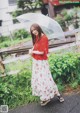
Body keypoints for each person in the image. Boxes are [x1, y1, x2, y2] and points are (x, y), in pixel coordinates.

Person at [29, 23, 64, 106]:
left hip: (42, 62)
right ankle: (46, 97)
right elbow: (36, 47)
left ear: (38, 28)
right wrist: (32, 50)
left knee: (47, 79)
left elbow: (42, 52)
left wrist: (32, 51)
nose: (34, 32)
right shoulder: (36, 37)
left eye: (35, 29)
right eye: (32, 31)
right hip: (36, 62)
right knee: (40, 81)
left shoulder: (44, 37)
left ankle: (57, 94)